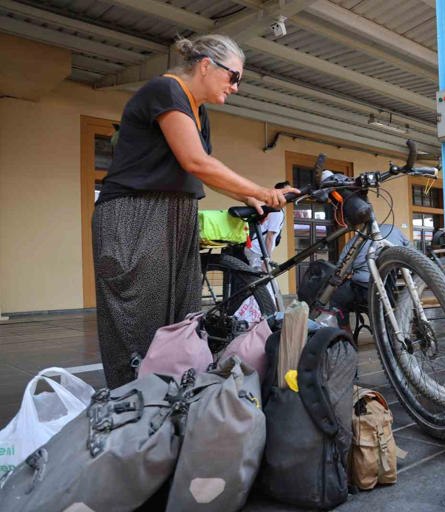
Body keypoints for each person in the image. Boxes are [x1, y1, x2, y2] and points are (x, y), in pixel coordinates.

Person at [92, 34, 299, 388]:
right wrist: (260, 190)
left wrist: (249, 197)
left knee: (180, 319)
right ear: (206, 65)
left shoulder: (197, 111)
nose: (236, 87)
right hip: (136, 216)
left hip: (176, 215)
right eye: (234, 76)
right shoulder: (165, 90)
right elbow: (195, 161)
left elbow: (198, 168)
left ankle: (171, 400)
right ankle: (132, 407)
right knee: (140, 319)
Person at [330, 225, 411, 328]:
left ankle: (345, 334)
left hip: (363, 288)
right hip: (387, 290)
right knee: (382, 309)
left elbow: (342, 268)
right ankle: (386, 332)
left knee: (336, 298)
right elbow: (410, 252)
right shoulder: (395, 230)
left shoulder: (357, 238)